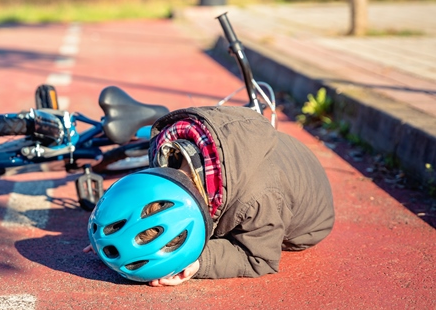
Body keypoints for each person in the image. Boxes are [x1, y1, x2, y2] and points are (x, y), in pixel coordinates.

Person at [85, 105, 335, 287]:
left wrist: (198, 262)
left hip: (309, 222)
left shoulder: (259, 201)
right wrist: (113, 230)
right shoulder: (172, 147)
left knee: (240, 229)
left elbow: (259, 258)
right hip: (271, 159)